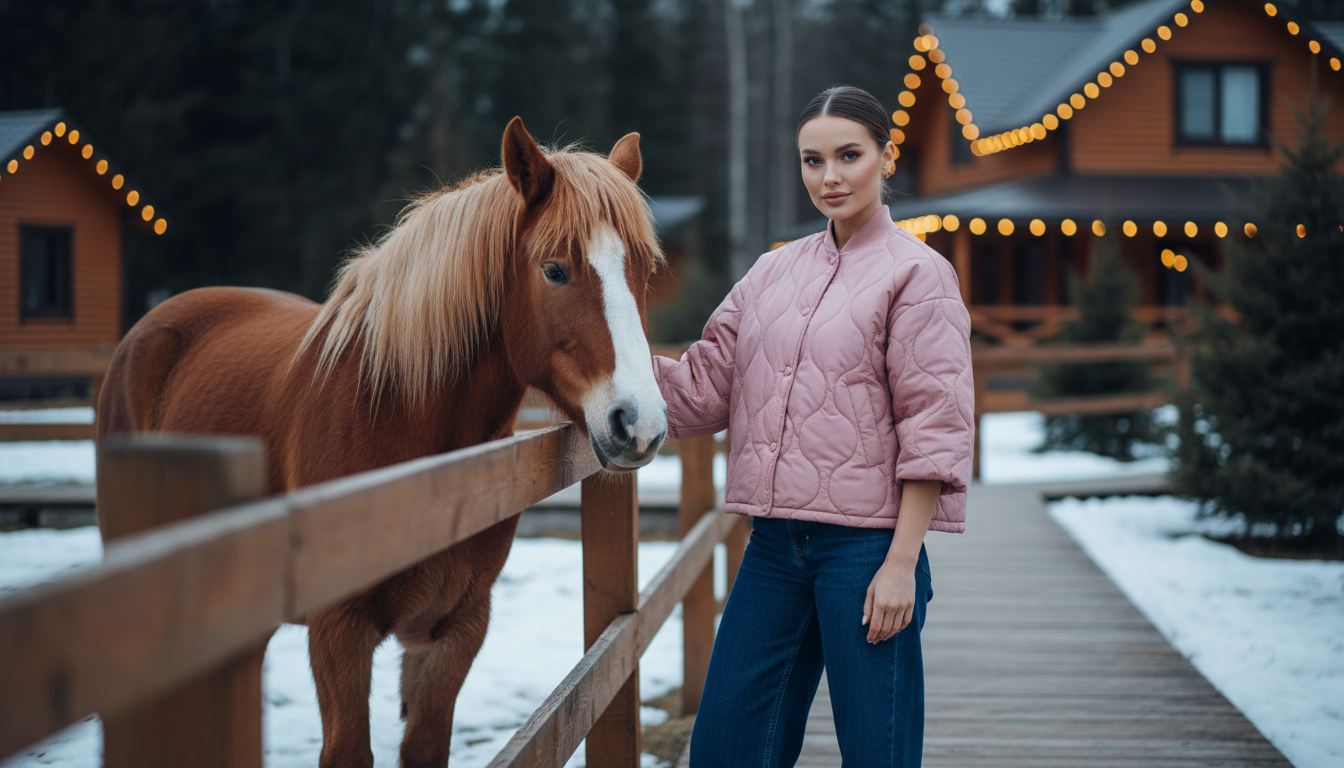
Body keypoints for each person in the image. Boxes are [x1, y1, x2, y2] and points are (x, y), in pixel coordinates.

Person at [652, 85, 974, 767]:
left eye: (849, 155)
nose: (829, 177)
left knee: (875, 753)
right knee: (726, 748)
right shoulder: (772, 271)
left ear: (886, 157)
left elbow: (934, 430)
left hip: (866, 551)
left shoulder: (920, 275)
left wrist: (899, 566)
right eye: (812, 160)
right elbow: (702, 390)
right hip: (772, 547)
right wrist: (602, 359)